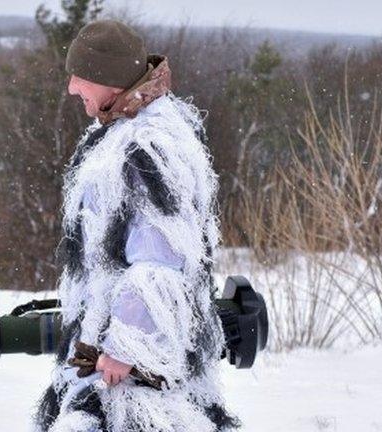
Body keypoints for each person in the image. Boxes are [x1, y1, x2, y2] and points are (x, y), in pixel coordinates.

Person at [34, 19, 239, 432]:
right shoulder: (122, 129)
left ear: (110, 80)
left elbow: (159, 259)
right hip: (113, 359)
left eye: (81, 76)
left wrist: (126, 345)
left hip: (134, 372)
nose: (72, 87)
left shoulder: (149, 144)